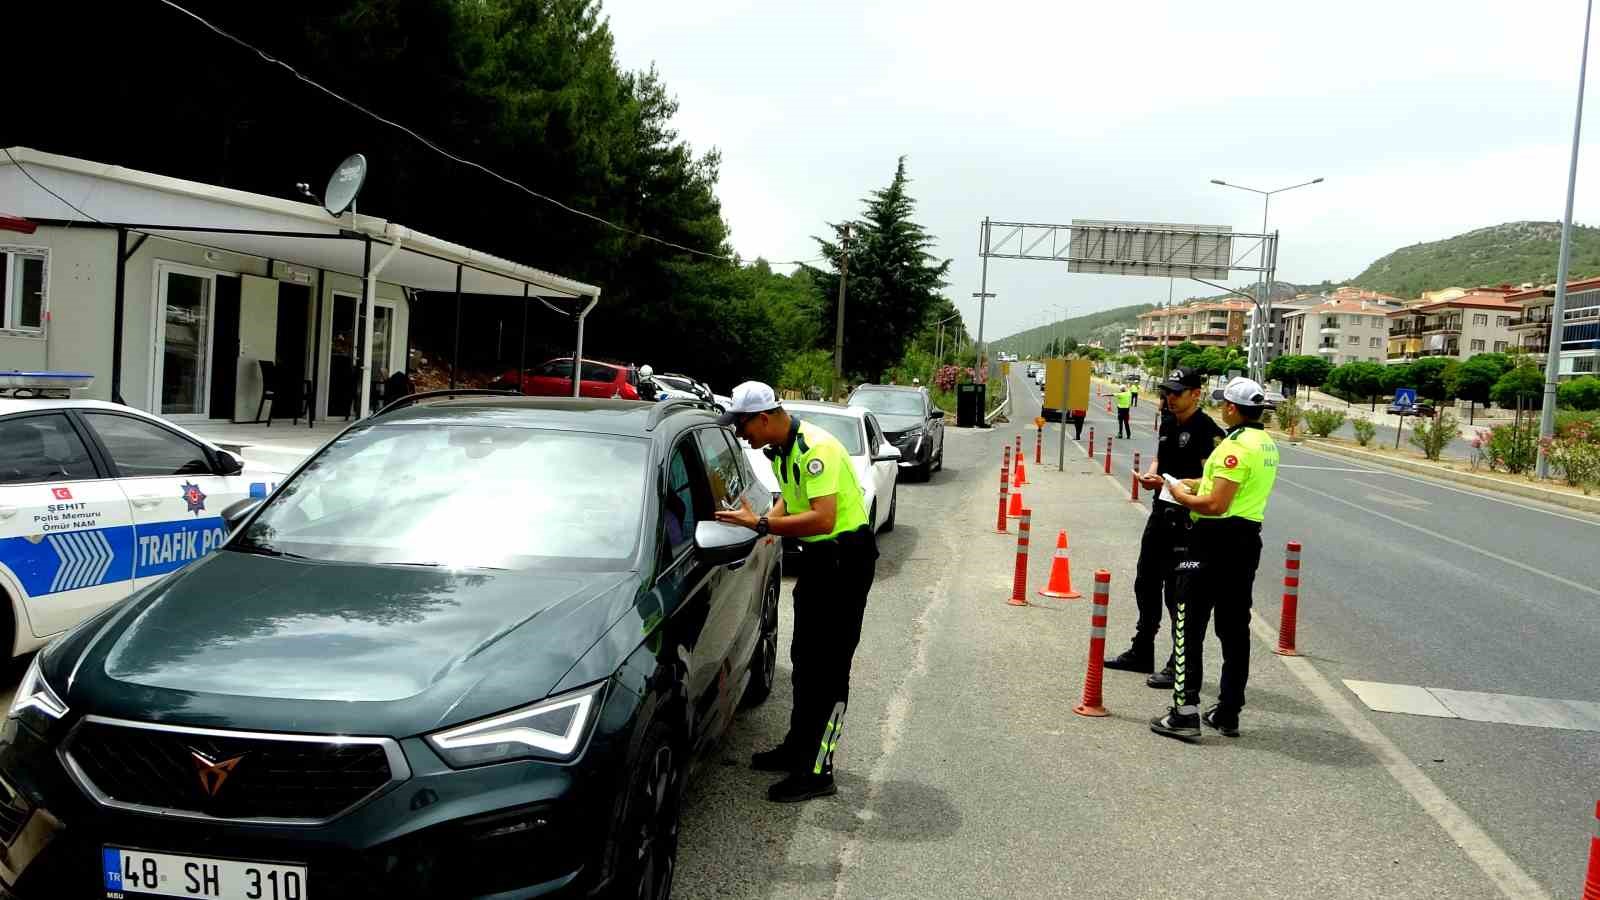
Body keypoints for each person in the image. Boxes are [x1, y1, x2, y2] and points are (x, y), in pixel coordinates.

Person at [714, 381, 878, 801]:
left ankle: (819, 770)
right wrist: (764, 521)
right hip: (822, 562)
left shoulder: (815, 449)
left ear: (765, 417)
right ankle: (797, 749)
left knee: (830, 668)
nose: (740, 433)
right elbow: (791, 500)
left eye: (742, 424)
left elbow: (823, 519)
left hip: (846, 560)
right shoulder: (784, 451)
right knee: (804, 658)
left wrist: (763, 525)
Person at [1150, 377, 1281, 742]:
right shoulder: (1265, 444)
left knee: (1188, 623)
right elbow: (1225, 488)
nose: (1222, 407)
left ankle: (1184, 712)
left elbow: (1215, 504)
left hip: (1211, 540)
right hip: (1245, 541)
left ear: (1232, 408)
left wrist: (1178, 492)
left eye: (1224, 402)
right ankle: (1228, 711)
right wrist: (1195, 483)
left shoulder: (1231, 447)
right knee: (1234, 627)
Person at [1104, 367, 1225, 688]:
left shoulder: (1207, 431)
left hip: (1187, 521)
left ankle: (1178, 662)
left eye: (1177, 392)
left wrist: (1175, 485)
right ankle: (1142, 649)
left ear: (1195, 394)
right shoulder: (1169, 421)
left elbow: (1212, 483)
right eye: (1167, 391)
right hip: (1161, 513)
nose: (1169, 397)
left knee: (1178, 594)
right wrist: (1152, 476)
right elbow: (1161, 459)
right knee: (1145, 582)